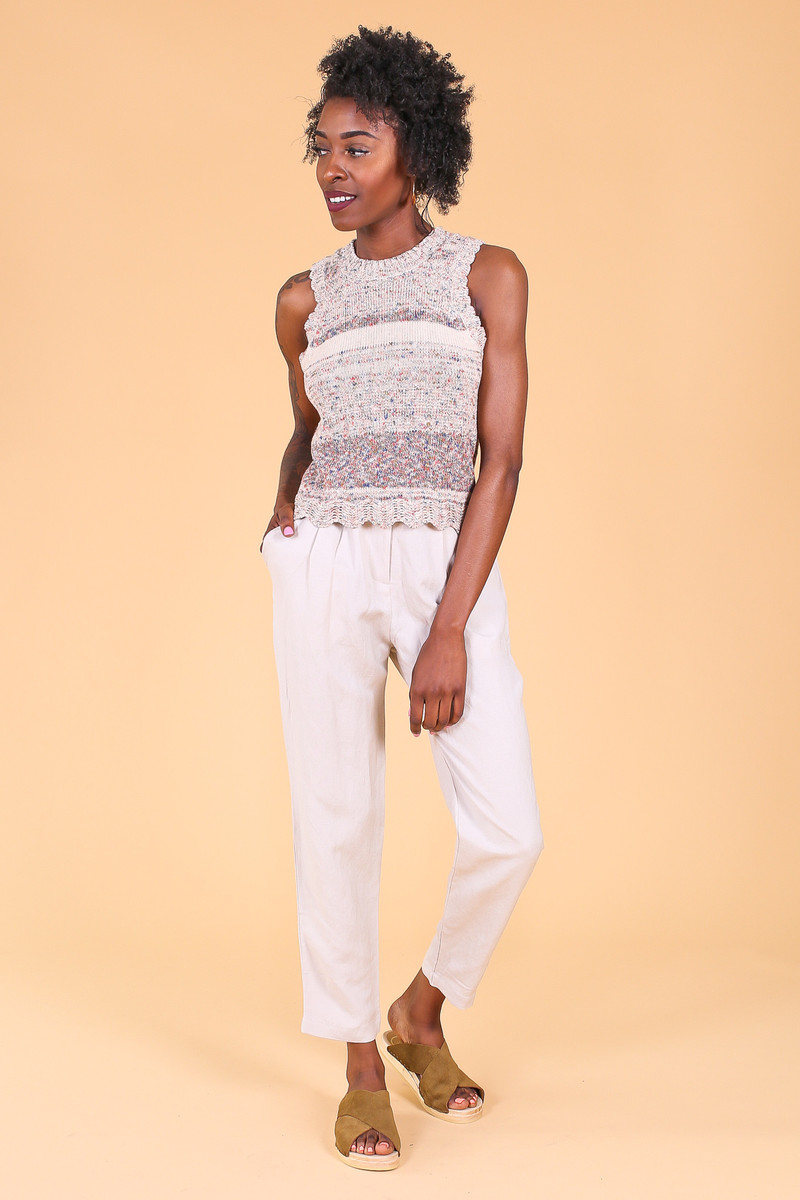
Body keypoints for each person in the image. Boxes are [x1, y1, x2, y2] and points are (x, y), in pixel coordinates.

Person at [259, 25, 544, 1171]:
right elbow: (310, 427)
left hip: (442, 563)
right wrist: (282, 515)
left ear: (414, 149)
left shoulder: (485, 275)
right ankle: (360, 1068)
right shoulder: (302, 298)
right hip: (324, 561)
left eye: (357, 146)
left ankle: (418, 1009)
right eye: (321, 148)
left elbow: (500, 462)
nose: (332, 169)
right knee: (334, 815)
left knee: (508, 829)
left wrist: (446, 629)